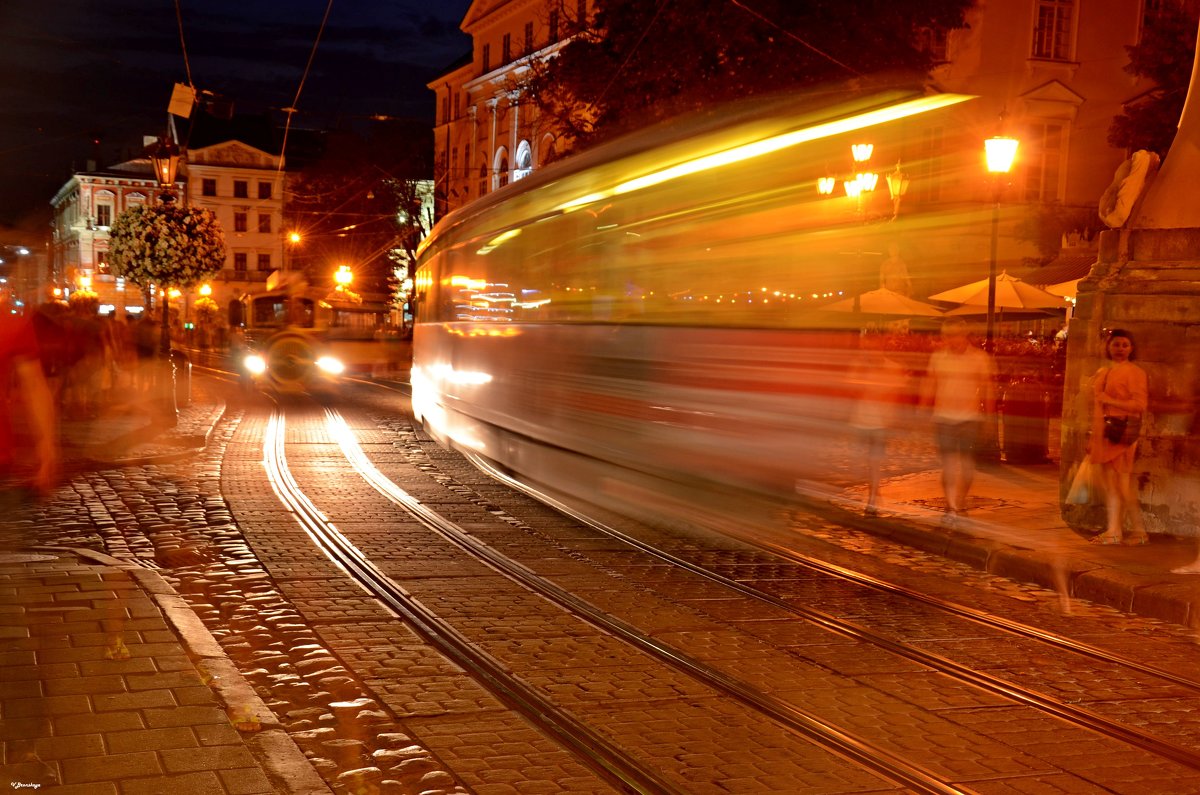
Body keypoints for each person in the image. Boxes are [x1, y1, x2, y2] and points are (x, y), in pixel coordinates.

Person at [921, 318, 995, 527]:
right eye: (948, 335)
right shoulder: (938, 357)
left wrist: (989, 416)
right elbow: (930, 384)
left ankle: (960, 501)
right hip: (943, 418)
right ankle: (950, 503)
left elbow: (988, 388)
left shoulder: (980, 358)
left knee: (967, 464)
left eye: (955, 335)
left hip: (970, 418)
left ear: (964, 335)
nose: (951, 340)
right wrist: (922, 408)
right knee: (948, 465)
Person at [1088, 328, 1149, 545]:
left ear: (1132, 348)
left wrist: (1109, 400)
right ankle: (1126, 531)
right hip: (1105, 431)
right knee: (1114, 485)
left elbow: (1140, 404)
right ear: (1108, 346)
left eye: (1125, 345)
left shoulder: (1134, 372)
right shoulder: (1106, 370)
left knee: (1119, 485)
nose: (1120, 349)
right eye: (1116, 344)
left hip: (1120, 432)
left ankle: (1118, 531)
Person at [1, 295, 59, 510]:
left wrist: (46, 444)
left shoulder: (9, 322)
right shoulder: (8, 321)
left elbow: (34, 385)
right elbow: (34, 385)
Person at [847, 333, 908, 515]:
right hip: (861, 419)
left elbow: (896, 393)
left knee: (874, 460)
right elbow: (850, 387)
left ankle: (873, 496)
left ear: (879, 348)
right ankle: (874, 490)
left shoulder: (892, 367)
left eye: (871, 348)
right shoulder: (858, 366)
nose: (868, 352)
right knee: (859, 461)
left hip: (881, 422)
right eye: (865, 348)